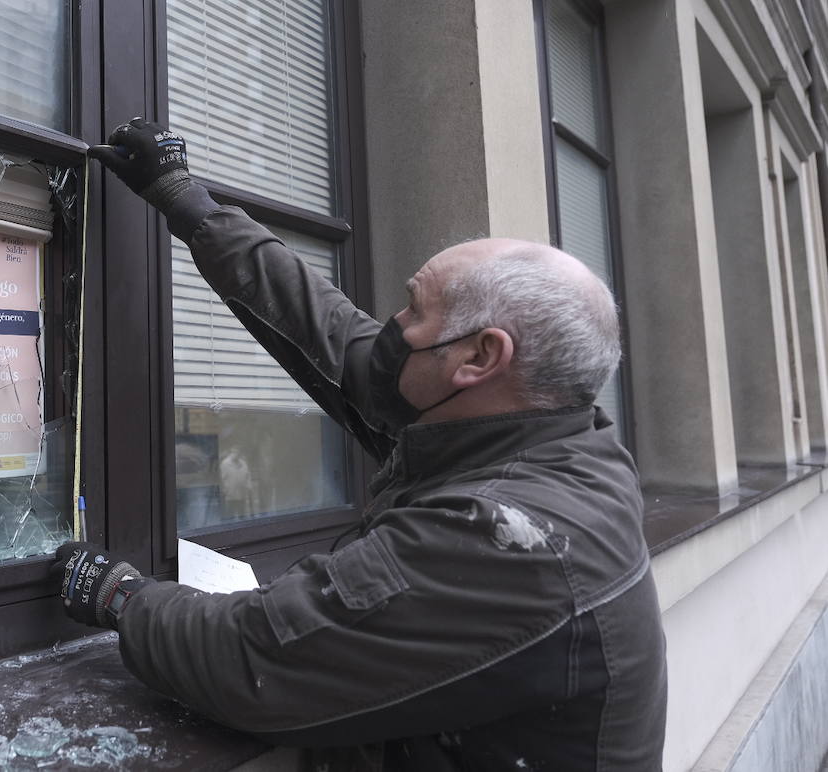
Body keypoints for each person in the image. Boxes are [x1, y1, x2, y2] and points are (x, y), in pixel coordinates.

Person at [51, 119, 667, 770]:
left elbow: (255, 660)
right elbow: (329, 333)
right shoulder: (540, 438)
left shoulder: (510, 537)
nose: (394, 326)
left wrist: (121, 595)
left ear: (480, 357)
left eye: (413, 311)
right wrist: (183, 197)